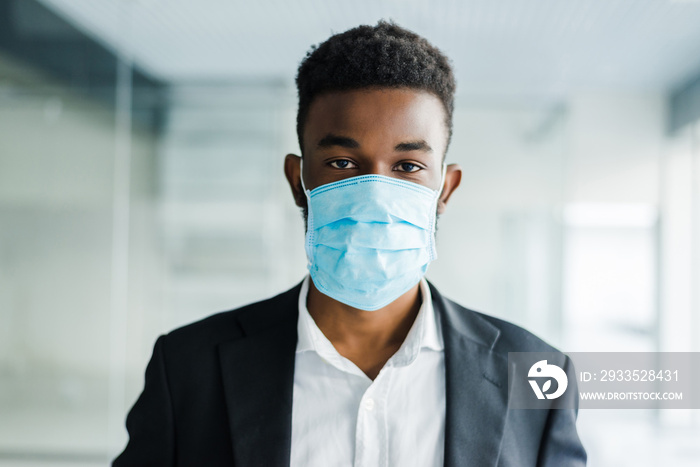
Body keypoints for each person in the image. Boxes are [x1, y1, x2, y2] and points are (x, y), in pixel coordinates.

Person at [113, 20, 586, 467]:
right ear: (299, 182)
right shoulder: (189, 371)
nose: (375, 193)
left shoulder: (536, 375)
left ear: (445, 189)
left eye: (407, 167)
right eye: (342, 163)